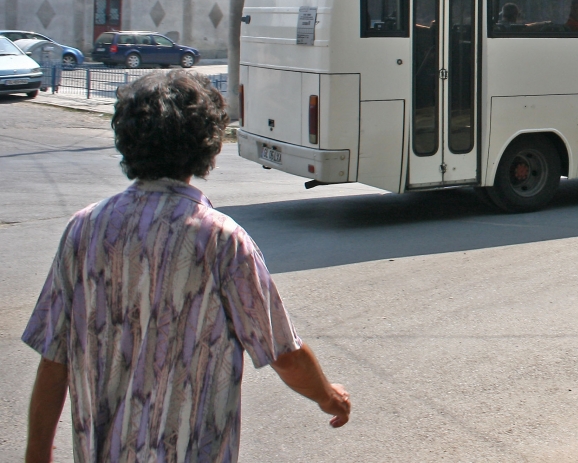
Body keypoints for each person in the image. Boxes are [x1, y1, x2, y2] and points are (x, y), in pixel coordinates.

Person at [22, 70, 350, 463]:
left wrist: (37, 452)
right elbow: (284, 354)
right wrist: (328, 396)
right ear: (206, 146)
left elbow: (54, 358)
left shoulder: (83, 229)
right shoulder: (220, 240)